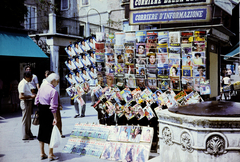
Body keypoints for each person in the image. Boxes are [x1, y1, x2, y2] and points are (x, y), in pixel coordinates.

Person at [34, 73, 59, 160]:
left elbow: (36, 101)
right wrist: (55, 118)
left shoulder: (42, 87)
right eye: (57, 81)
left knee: (41, 131)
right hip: (49, 112)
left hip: (41, 110)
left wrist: (40, 107)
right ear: (53, 81)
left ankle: (42, 153)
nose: (58, 83)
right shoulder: (53, 91)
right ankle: (50, 154)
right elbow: (53, 106)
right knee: (50, 133)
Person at [18, 71, 36, 140]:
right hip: (25, 102)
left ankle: (28, 133)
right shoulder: (23, 84)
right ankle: (25, 135)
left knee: (28, 119)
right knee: (25, 119)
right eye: (30, 77)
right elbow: (21, 96)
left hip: (28, 102)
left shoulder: (27, 83)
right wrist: (30, 96)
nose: (31, 78)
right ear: (26, 77)